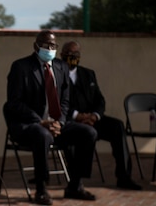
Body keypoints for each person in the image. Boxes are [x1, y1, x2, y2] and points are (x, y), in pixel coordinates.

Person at [3, 30, 97, 205]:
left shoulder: (61, 67)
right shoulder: (21, 67)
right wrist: (40, 121)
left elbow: (65, 101)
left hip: (55, 123)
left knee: (88, 133)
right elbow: (14, 103)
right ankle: (41, 188)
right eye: (46, 45)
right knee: (43, 134)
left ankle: (75, 185)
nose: (50, 49)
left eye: (53, 46)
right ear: (36, 46)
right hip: (29, 125)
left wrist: (60, 123)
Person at [60, 40, 142, 190]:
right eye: (69, 53)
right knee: (74, 135)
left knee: (117, 126)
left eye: (76, 54)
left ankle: (124, 177)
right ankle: (76, 181)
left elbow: (100, 100)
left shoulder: (88, 74)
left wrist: (95, 116)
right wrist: (77, 116)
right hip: (70, 120)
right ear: (61, 55)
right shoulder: (55, 75)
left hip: (92, 119)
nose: (72, 56)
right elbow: (55, 102)